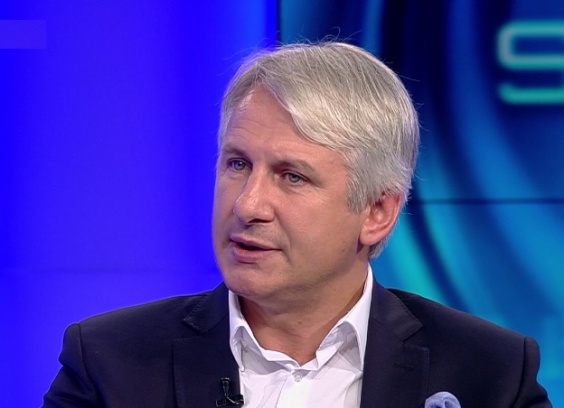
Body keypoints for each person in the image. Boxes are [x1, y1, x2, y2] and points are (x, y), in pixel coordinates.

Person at [42, 42, 551, 407]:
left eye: (292, 176)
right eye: (237, 164)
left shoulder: (490, 375)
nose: (249, 204)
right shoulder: (110, 365)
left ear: (376, 212)